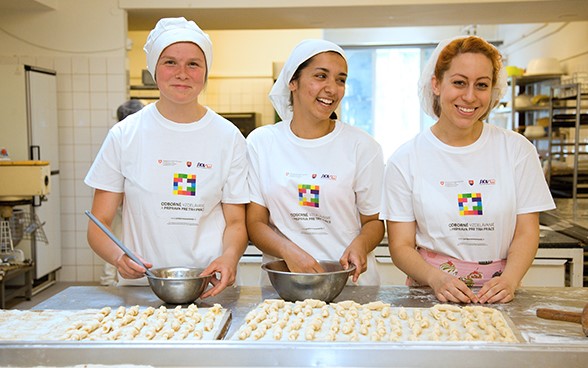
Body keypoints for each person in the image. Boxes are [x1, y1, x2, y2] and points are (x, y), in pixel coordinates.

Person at [380, 36, 556, 304]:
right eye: (459, 82)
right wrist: (436, 278)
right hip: (431, 294)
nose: (470, 96)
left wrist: (509, 280)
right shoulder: (406, 159)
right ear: (436, 84)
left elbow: (526, 231)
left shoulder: (517, 150)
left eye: (482, 85)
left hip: (500, 294)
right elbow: (401, 245)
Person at [85, 17, 249, 298]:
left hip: (208, 285)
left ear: (206, 72)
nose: (182, 73)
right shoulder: (125, 135)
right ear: (154, 70)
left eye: (193, 64)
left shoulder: (228, 137)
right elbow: (98, 223)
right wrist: (118, 258)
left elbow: (236, 222)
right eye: (170, 62)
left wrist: (230, 257)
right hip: (142, 289)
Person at [247, 39, 385, 285]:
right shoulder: (262, 143)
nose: (332, 88)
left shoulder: (362, 146)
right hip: (284, 284)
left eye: (340, 80)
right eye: (321, 76)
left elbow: (373, 222)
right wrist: (288, 251)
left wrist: (361, 244)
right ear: (293, 82)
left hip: (348, 282)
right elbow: (255, 222)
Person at [100, 99, 145, 287]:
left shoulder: (134, 134)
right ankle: (109, 281)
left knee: (118, 239)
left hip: (128, 202)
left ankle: (109, 280)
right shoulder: (121, 136)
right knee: (116, 240)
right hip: (122, 203)